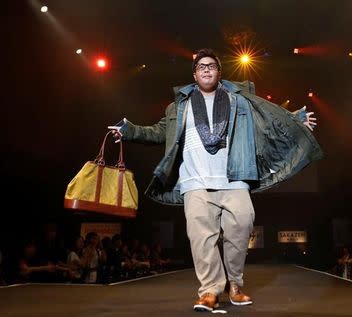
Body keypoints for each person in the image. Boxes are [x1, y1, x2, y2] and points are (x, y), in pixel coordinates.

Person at [109, 48, 323, 311]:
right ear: (195, 74)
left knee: (242, 227)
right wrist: (129, 130)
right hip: (195, 182)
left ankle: (234, 284)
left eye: (211, 66)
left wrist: (295, 120)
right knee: (201, 239)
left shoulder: (237, 100)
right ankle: (210, 290)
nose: (207, 69)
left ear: (219, 72)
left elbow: (267, 121)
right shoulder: (179, 105)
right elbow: (158, 133)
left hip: (233, 178)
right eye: (201, 67)